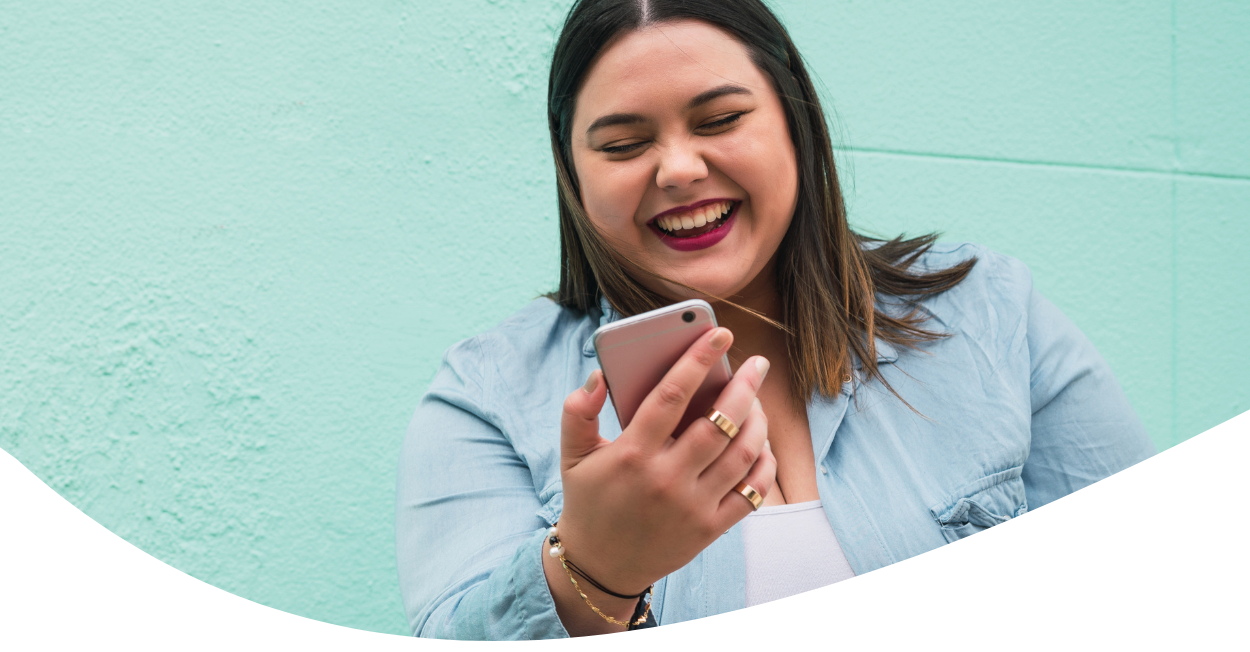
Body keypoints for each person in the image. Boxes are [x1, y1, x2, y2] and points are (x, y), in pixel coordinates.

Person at [395, 0, 1155, 639]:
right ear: (572, 174)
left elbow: (1142, 580)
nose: (680, 169)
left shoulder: (989, 312)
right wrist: (595, 569)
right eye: (624, 144)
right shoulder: (486, 394)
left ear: (794, 120)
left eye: (721, 119)